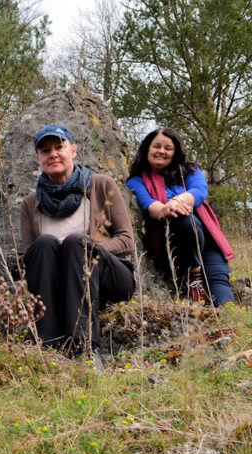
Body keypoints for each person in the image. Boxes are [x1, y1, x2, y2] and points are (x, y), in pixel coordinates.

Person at [21, 124, 135, 355]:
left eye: (59, 147)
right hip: (58, 283)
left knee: (75, 243)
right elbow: (30, 258)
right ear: (38, 158)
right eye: (45, 150)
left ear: (73, 150)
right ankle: (48, 348)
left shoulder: (101, 185)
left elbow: (126, 241)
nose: (52, 154)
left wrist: (86, 246)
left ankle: (84, 348)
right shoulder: (31, 203)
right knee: (43, 245)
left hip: (109, 278)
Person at [126, 128, 234, 306]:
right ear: (147, 149)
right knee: (186, 220)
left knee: (223, 301)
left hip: (207, 241)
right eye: (157, 146)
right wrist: (166, 209)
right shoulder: (137, 180)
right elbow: (148, 204)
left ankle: (226, 325)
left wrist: (177, 201)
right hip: (173, 242)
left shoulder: (190, 171)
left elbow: (199, 191)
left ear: (175, 152)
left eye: (168, 148)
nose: (162, 151)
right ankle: (193, 272)